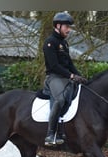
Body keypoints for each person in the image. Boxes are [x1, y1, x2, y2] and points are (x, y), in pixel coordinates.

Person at [42, 12, 87, 146]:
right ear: (58, 26)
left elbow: (70, 64)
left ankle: (63, 129)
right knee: (60, 99)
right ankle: (50, 133)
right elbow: (54, 65)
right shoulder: (50, 42)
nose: (69, 29)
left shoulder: (64, 43)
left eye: (69, 27)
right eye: (67, 26)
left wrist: (80, 76)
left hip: (66, 78)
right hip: (54, 78)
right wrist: (71, 76)